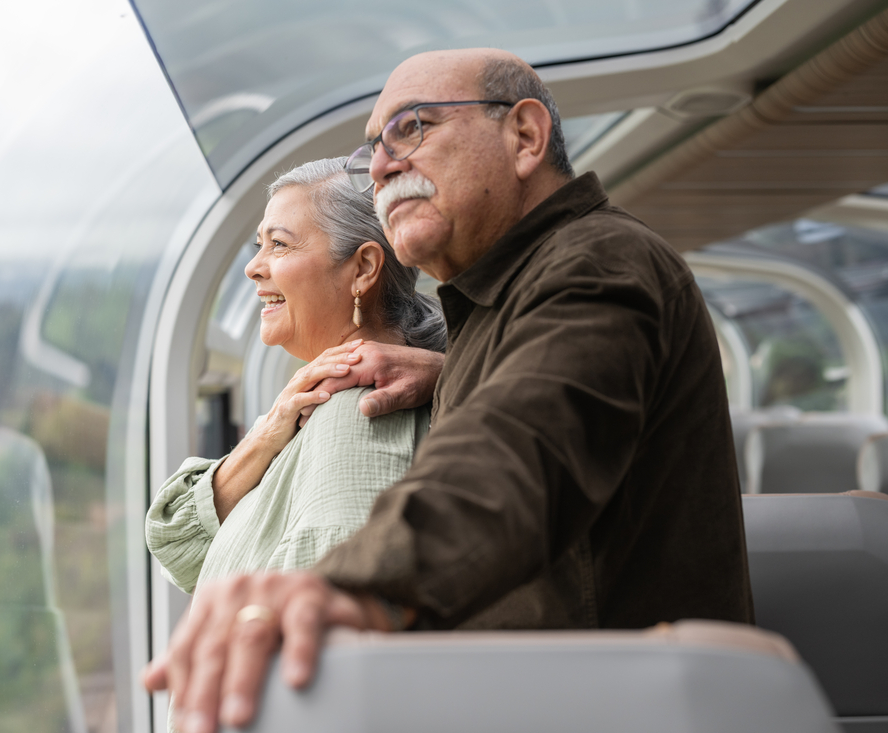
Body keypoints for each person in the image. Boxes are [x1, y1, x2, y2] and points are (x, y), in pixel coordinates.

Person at [144, 48, 755, 733]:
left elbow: (518, 456)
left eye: (413, 128)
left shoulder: (600, 261)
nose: (382, 165)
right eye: (373, 149)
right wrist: (449, 373)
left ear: (524, 136)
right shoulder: (501, 310)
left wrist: (340, 587)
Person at [146, 156, 446, 593]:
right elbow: (179, 544)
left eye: (280, 245)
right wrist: (267, 435)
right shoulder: (305, 413)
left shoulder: (358, 411)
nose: (254, 267)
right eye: (259, 245)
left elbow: (331, 616)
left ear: (363, 268)